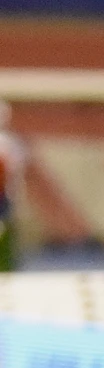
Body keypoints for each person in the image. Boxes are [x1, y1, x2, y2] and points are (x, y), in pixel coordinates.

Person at [0, 100, 25, 273]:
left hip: (3, 195)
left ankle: (7, 264)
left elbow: (14, 171)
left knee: (6, 230)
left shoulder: (10, 142)